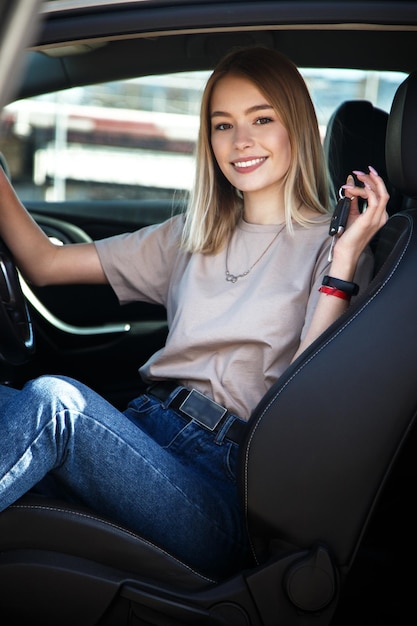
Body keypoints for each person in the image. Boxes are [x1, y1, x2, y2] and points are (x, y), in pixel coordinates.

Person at [0, 46, 388, 578]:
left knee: (56, 405)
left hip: (224, 482)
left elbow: (305, 399)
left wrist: (343, 259)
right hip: (143, 431)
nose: (241, 141)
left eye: (262, 119)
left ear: (296, 126)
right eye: (223, 124)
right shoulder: (191, 235)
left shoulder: (338, 251)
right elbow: (44, 263)